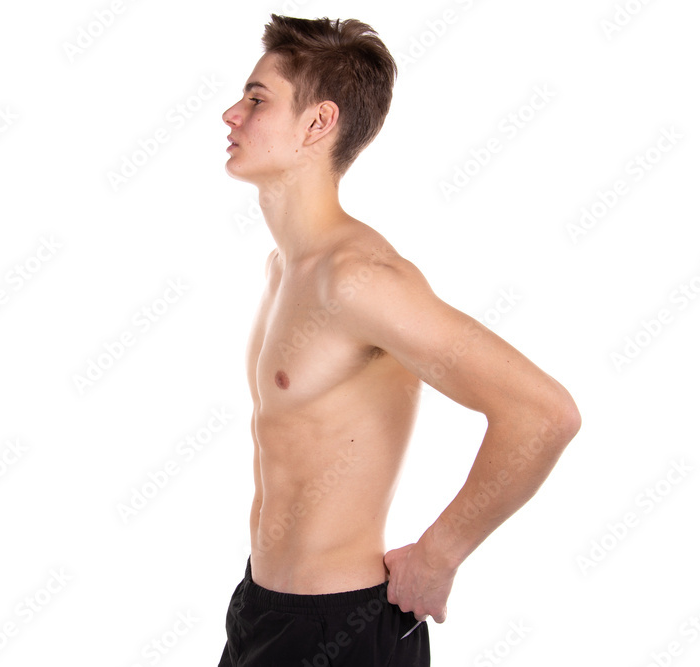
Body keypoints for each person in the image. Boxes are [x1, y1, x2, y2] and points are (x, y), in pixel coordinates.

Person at [217, 14, 581, 666]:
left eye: (256, 99)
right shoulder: (285, 269)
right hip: (259, 610)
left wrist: (440, 552)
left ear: (317, 123)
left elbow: (544, 412)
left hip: (343, 631)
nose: (231, 114)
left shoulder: (359, 280)